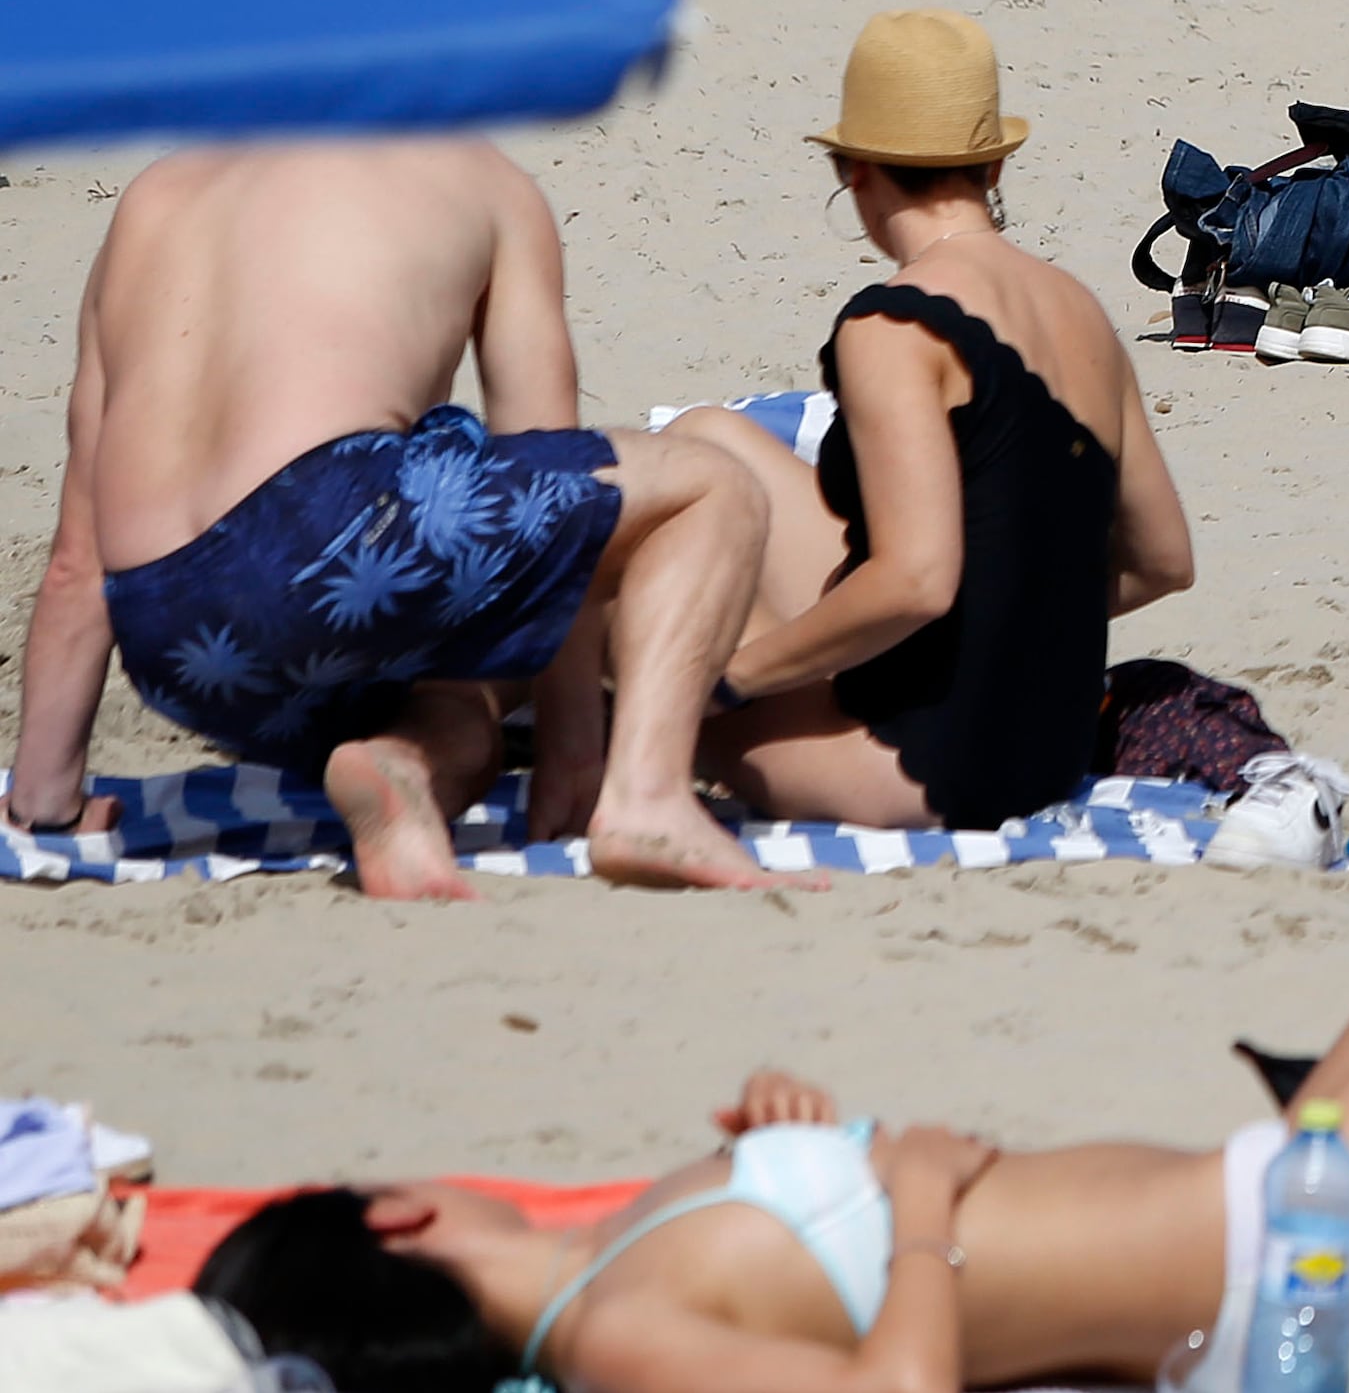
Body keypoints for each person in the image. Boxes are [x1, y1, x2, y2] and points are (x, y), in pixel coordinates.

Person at [197, 779, 1349, 1380]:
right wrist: (910, 1212)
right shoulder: (610, 1336)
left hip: (1275, 1201)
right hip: (1292, 1253)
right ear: (401, 1210)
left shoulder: (624, 1278)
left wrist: (794, 1143)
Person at [7, 141, 779, 894]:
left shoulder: (154, 195)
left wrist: (45, 802)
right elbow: (556, 487)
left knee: (458, 707)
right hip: (329, 531)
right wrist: (572, 752)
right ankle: (647, 800)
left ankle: (403, 776)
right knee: (711, 487)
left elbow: (78, 554)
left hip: (172, 635)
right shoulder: (482, 178)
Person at [649, 13, 1198, 830]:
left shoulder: (895, 326)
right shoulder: (1078, 308)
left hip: (929, 768)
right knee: (708, 437)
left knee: (636, 626)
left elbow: (914, 582)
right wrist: (1014, 623)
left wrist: (731, 677)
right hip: (1047, 747)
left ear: (853, 168)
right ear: (997, 163)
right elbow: (1163, 561)